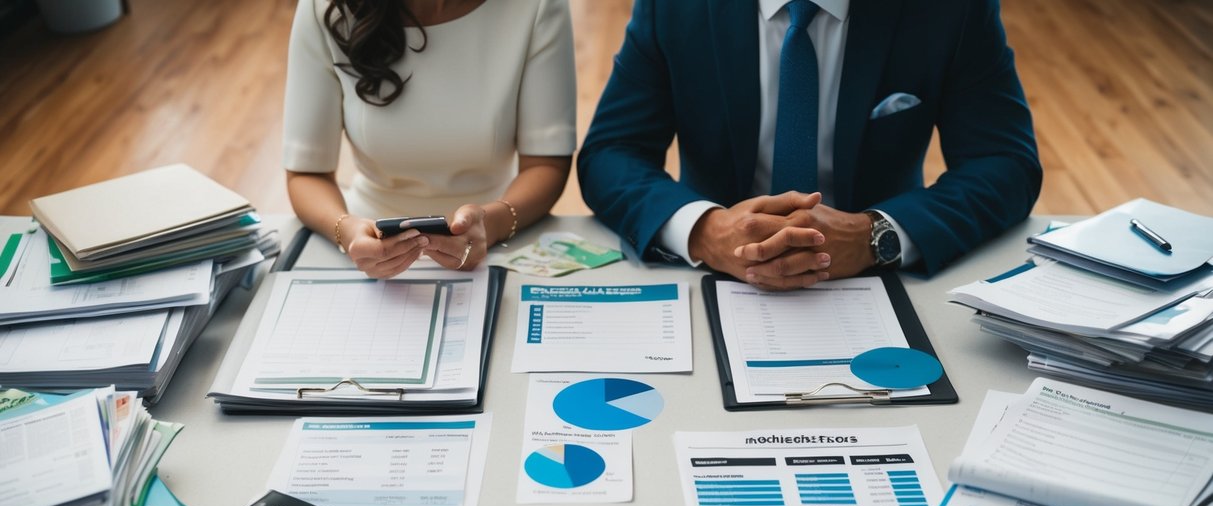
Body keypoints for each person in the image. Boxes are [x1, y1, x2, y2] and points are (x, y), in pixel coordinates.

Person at [577, 0, 1043, 288]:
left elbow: (1005, 162)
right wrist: (705, 232)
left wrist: (874, 235)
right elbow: (611, 152)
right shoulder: (675, 6)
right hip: (711, 278)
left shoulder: (949, 8)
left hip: (883, 279)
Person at [283, 0, 576, 278]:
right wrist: (346, 231)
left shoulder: (536, 7)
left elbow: (546, 164)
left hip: (496, 241)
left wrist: (491, 224)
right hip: (363, 248)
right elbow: (307, 172)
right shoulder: (325, 7)